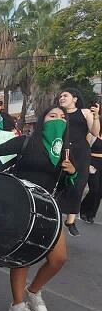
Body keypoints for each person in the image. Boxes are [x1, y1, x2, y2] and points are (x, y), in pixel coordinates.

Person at [0, 106, 77, 311]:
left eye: (62, 118)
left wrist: (72, 172)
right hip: (21, 205)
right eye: (52, 116)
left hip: (49, 207)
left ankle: (34, 290)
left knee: (58, 259)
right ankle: (17, 303)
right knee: (24, 256)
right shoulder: (27, 141)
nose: (58, 120)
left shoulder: (66, 150)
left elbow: (69, 185)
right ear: (42, 120)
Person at [57, 88, 99, 236]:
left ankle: (71, 220)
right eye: (60, 96)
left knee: (78, 185)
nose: (62, 98)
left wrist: (95, 116)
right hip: (61, 151)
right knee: (60, 184)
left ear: (74, 98)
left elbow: (94, 132)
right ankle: (54, 216)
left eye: (65, 95)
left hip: (81, 153)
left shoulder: (85, 112)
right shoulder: (57, 113)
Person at [80, 101, 102, 223]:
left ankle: (91, 214)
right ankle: (83, 209)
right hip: (93, 161)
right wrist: (87, 163)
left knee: (100, 191)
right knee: (94, 189)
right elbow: (86, 148)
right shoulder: (93, 134)